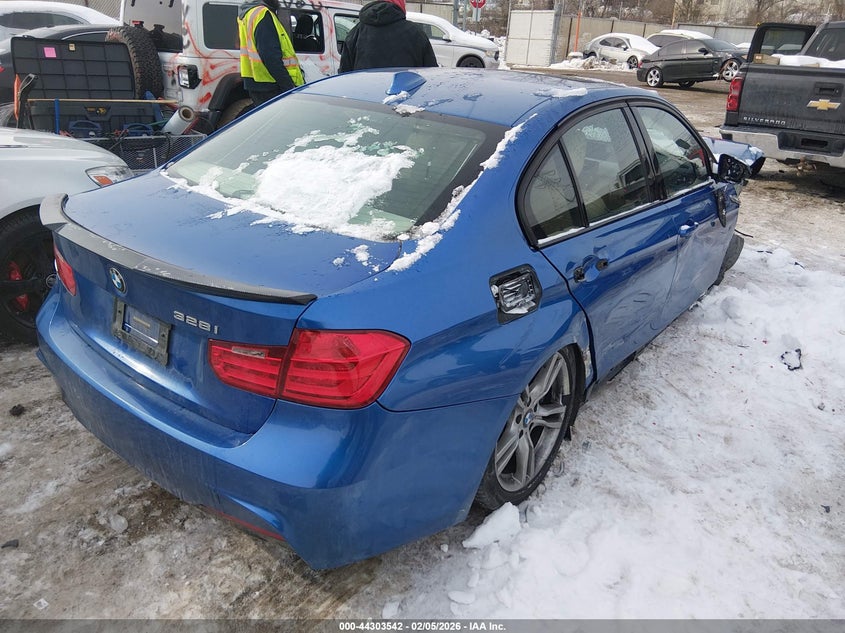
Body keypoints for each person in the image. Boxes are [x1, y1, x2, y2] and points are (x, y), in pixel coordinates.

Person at [338, 0, 437, 73]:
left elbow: (344, 74)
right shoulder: (416, 33)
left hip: (364, 97)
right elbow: (431, 74)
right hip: (403, 96)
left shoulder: (356, 32)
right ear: (401, 6)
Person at [237, 0, 305, 106]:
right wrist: (289, 87)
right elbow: (270, 57)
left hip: (257, 81)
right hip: (271, 84)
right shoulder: (262, 14)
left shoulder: (248, 13)